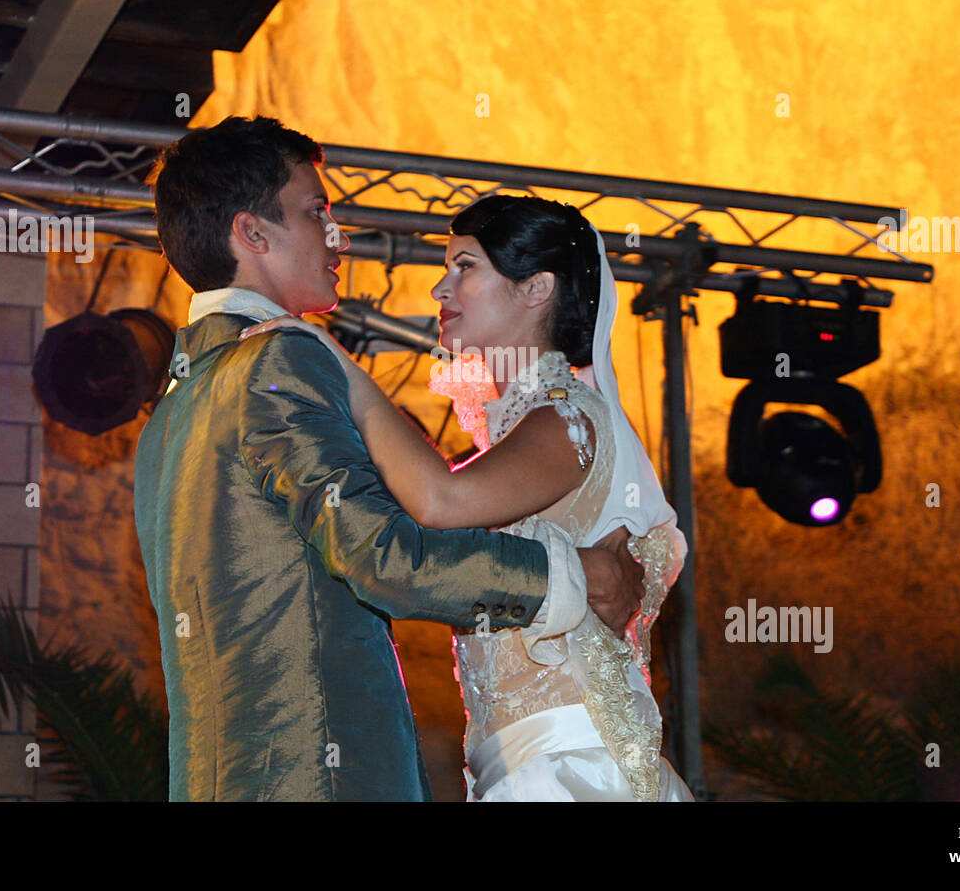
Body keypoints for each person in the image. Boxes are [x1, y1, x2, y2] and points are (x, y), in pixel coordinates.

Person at [132, 116, 646, 801]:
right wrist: (570, 577)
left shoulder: (175, 404)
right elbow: (383, 557)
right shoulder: (278, 360)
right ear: (253, 234)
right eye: (317, 213)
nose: (337, 237)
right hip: (316, 772)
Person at [242, 195, 693, 801]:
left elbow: (439, 504)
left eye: (465, 267)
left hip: (566, 766)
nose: (439, 289)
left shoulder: (567, 419)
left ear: (536, 289)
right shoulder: (524, 427)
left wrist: (332, 362)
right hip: (511, 762)